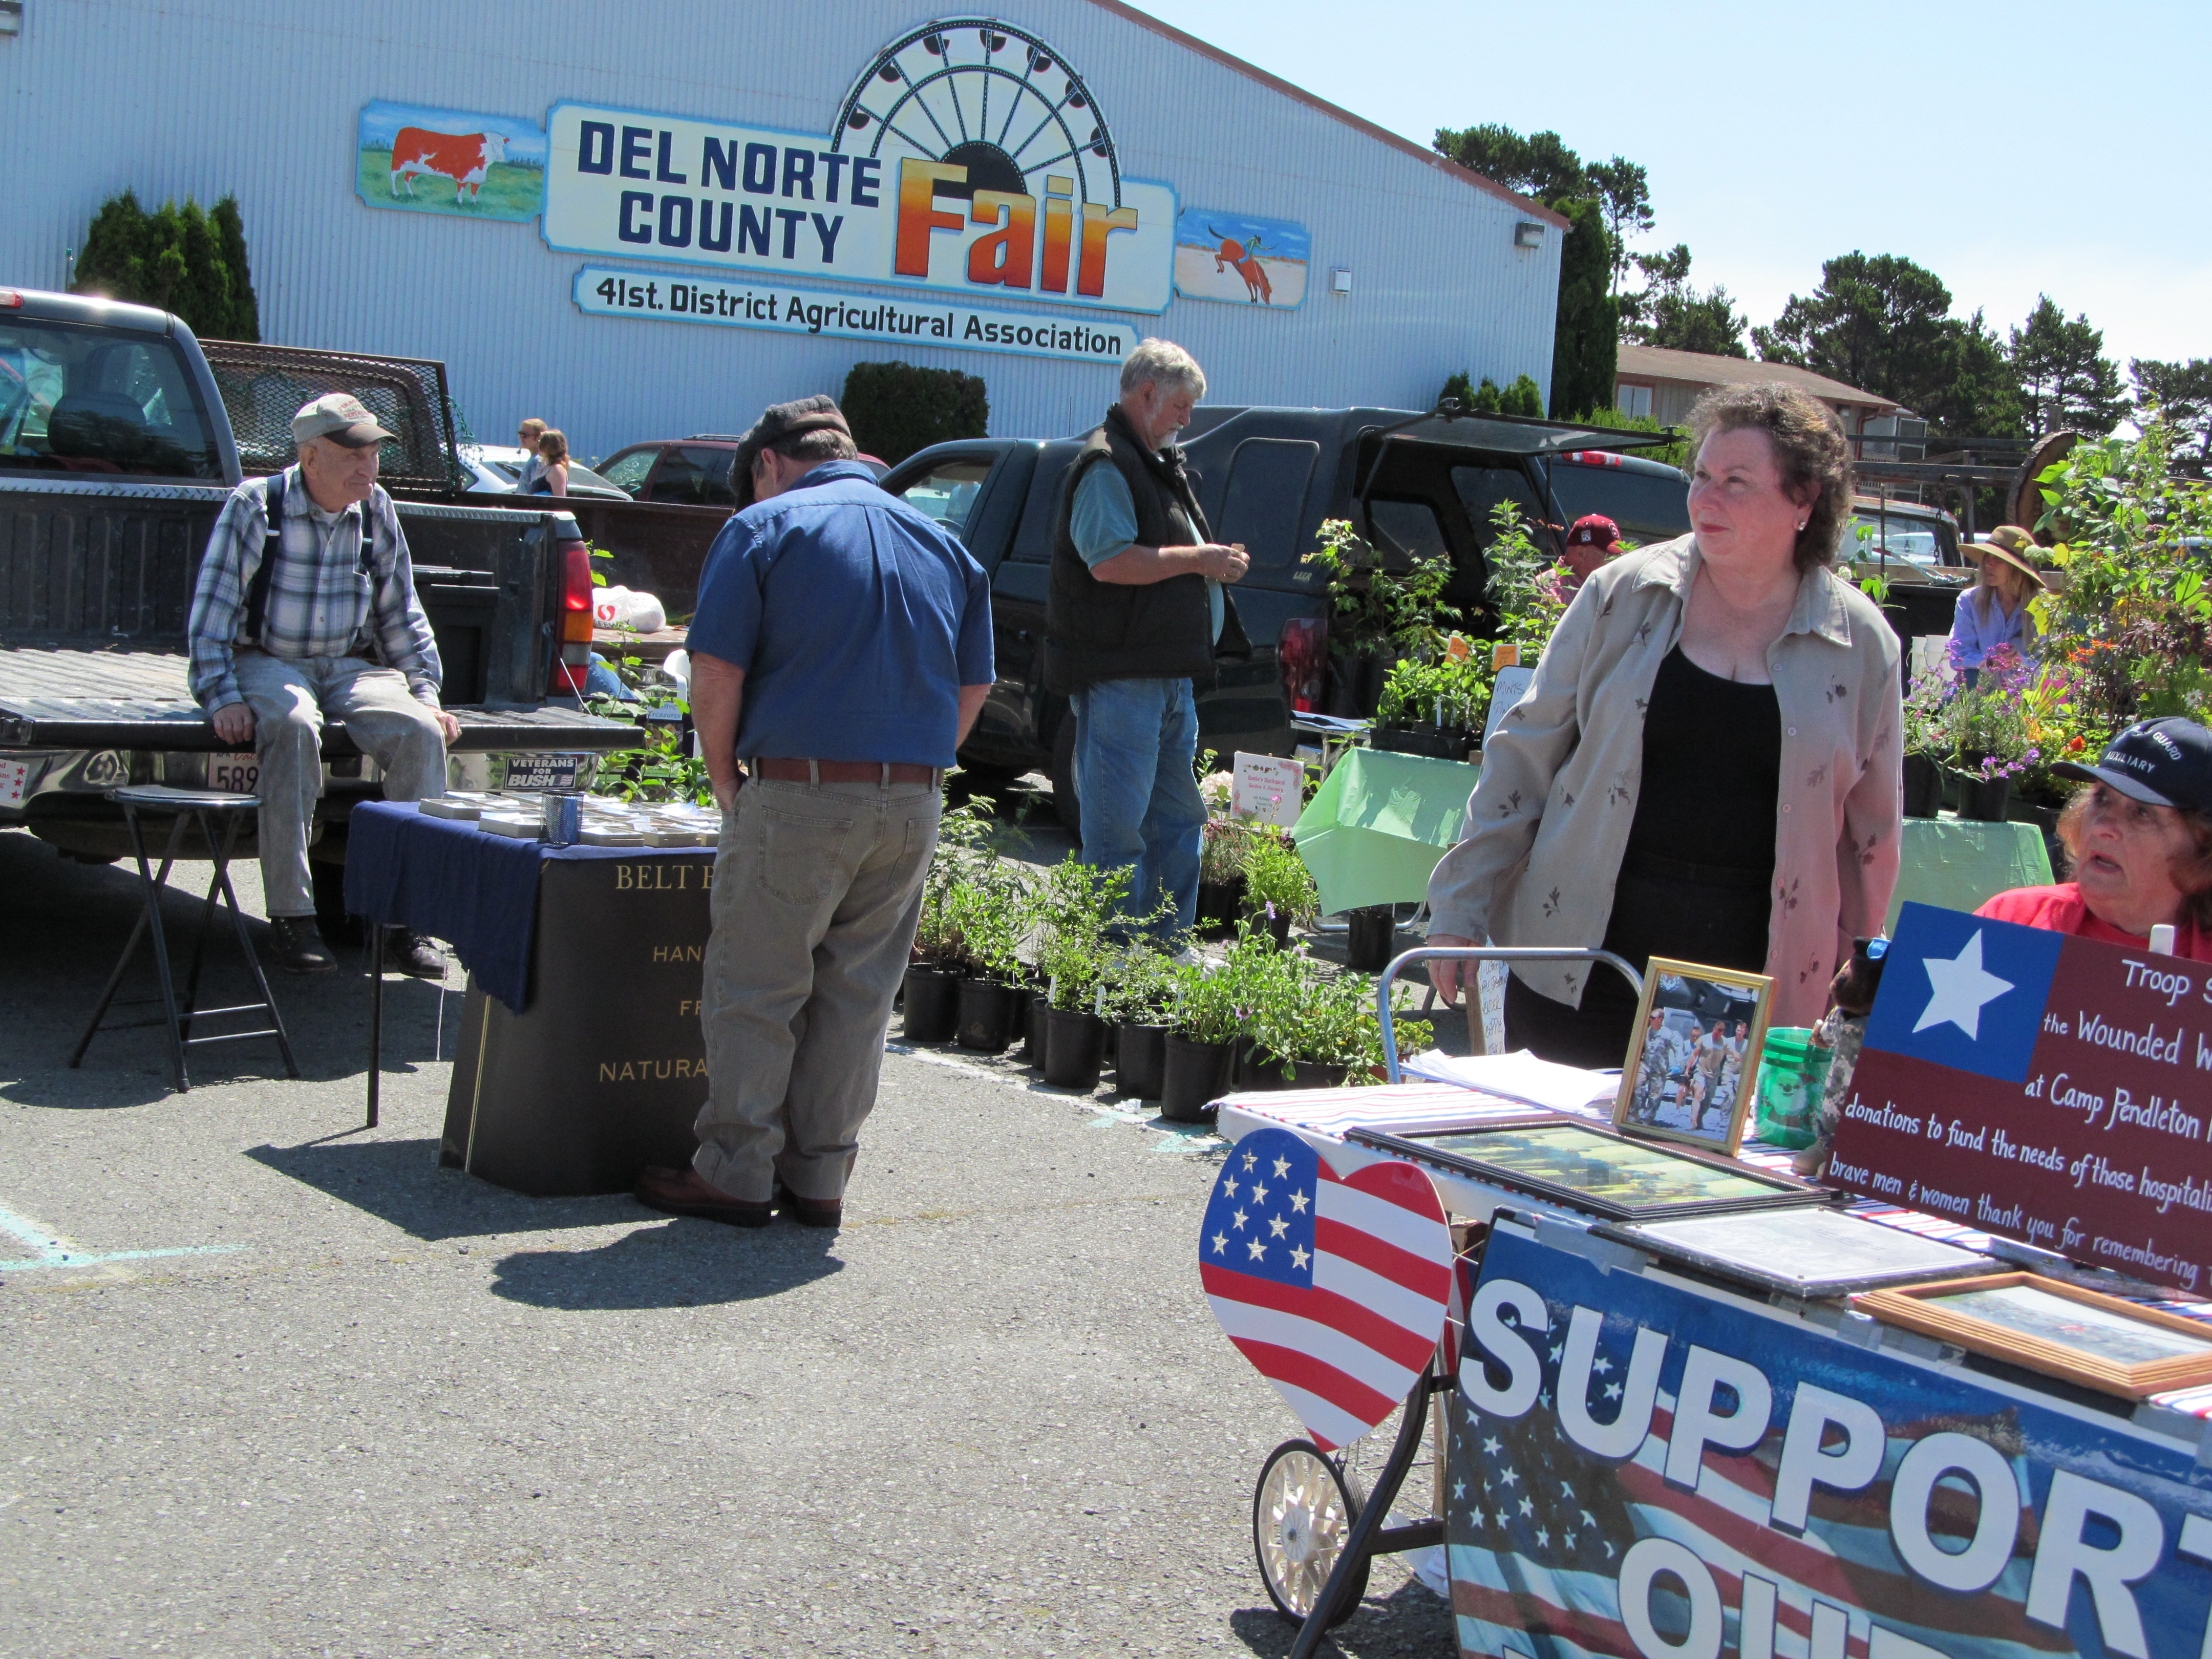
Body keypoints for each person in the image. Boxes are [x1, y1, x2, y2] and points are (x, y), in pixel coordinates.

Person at [1424, 382, 1903, 1066]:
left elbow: (1871, 839)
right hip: (1581, 968)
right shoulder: (1620, 594)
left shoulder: (1861, 643)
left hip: (1753, 994)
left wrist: (1857, 979)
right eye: (1701, 476)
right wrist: (1459, 907)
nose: (1706, 499)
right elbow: (1523, 754)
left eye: (1736, 483)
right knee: (1556, 1140)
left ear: (1804, 500)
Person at [634, 395, 994, 1230]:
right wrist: (913, 766)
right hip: (911, 798)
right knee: (857, 997)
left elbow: (715, 670)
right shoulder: (943, 544)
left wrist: (725, 780)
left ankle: (736, 1171)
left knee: (756, 987)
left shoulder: (763, 528)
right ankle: (821, 1177)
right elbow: (974, 683)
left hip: (799, 790)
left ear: (768, 463)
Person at [186, 394, 457, 976]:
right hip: (270, 659)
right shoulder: (256, 505)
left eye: (373, 452)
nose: (368, 465)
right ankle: (293, 917)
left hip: (347, 663)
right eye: (353, 453)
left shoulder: (377, 508)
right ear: (310, 457)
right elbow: (213, 611)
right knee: (291, 726)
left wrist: (426, 694)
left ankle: (404, 921)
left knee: (420, 733)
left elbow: (401, 612)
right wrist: (222, 696)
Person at [1045, 338, 1250, 935]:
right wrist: (1200, 560)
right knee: (1119, 832)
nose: (1188, 419)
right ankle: (1113, 963)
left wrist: (1213, 563)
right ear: (1147, 393)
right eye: (1182, 405)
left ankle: (1167, 952)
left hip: (1165, 676)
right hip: (1122, 678)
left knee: (1178, 823)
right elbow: (1109, 561)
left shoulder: (1155, 463)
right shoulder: (1107, 464)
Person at [1975, 717, 2212, 960]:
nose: (2102, 827)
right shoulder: (2010, 922)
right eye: (2102, 799)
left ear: (2203, 845)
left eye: (2142, 812)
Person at [1949, 523, 2043, 679]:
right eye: (1987, 557)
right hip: (1979, 689)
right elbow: (1959, 655)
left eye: (1999, 559)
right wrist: (1989, 662)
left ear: (2018, 569)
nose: (1989, 564)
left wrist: (2020, 662)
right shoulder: (1969, 600)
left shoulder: (2043, 607)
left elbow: (2049, 665)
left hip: (2027, 692)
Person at [1558, 513, 1623, 594]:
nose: (1614, 563)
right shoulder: (1549, 591)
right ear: (1581, 552)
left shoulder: (1609, 590)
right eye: (1609, 556)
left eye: (1618, 556)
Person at [529, 429, 569, 497]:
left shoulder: (557, 469)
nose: (538, 445)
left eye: (540, 442)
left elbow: (559, 498)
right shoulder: (546, 467)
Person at [515, 418, 547, 492]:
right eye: (520, 434)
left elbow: (534, 491)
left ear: (539, 437)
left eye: (525, 435)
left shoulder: (538, 461)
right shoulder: (535, 459)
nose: (521, 438)